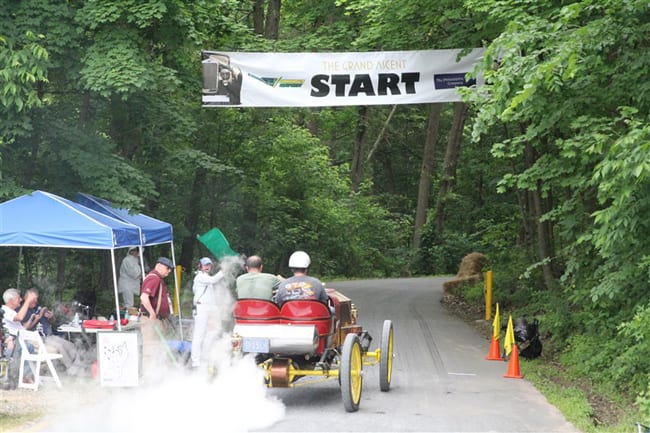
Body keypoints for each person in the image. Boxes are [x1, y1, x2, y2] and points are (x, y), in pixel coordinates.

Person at [19, 287, 83, 374]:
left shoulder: (39, 307)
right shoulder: (22, 310)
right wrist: (38, 317)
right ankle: (71, 370)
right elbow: (25, 328)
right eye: (33, 298)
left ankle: (79, 368)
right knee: (60, 346)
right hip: (39, 339)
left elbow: (53, 322)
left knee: (71, 345)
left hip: (49, 336)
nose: (36, 300)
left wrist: (51, 317)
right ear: (26, 298)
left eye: (36, 298)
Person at [139, 257, 174, 377]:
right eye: (167, 268)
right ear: (158, 265)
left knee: (157, 351)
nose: (169, 271)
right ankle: (148, 378)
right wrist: (152, 313)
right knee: (150, 351)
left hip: (158, 320)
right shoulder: (154, 278)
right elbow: (144, 297)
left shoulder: (157, 279)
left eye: (170, 269)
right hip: (151, 321)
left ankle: (156, 376)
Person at [190, 257, 226, 369]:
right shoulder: (200, 277)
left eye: (209, 265)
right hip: (201, 308)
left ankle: (204, 357)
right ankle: (195, 361)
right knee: (199, 335)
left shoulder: (205, 277)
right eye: (205, 265)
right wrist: (224, 270)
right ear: (200, 265)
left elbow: (211, 297)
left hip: (207, 308)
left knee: (209, 333)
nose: (207, 267)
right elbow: (214, 280)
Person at [2, 288, 37, 383]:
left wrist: (32, 319)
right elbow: (20, 317)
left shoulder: (11, 312)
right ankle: (23, 376)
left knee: (29, 346)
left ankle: (25, 376)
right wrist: (28, 301)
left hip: (18, 340)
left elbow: (23, 329)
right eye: (18, 298)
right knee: (28, 346)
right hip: (10, 342)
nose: (21, 300)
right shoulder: (4, 310)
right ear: (10, 300)